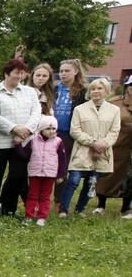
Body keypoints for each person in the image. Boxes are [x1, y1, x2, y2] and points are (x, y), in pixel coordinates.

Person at [0, 57, 41, 216]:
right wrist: (15, 129)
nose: (20, 76)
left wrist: (26, 131)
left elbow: (36, 113)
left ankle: (8, 207)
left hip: (22, 142)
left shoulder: (29, 92)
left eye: (22, 73)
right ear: (7, 73)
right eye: (16, 72)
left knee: (18, 175)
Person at [61, 78, 121, 216]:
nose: (95, 91)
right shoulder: (80, 109)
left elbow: (114, 131)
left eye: (99, 88)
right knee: (74, 180)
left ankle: (80, 210)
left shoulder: (114, 110)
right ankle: (63, 209)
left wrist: (103, 144)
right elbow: (74, 130)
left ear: (106, 91)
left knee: (91, 183)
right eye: (93, 89)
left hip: (102, 152)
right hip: (82, 150)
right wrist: (93, 142)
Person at [52, 60, 88, 217]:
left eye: (67, 70)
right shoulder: (53, 88)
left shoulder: (82, 92)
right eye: (61, 70)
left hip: (68, 135)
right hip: (50, 133)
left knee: (63, 169)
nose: (63, 73)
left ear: (75, 72)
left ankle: (59, 201)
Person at [93, 74, 132, 215]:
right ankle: (101, 205)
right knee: (107, 175)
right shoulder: (114, 103)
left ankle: (126, 207)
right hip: (115, 147)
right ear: (127, 87)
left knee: (130, 178)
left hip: (130, 149)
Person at [19, 115, 68, 225]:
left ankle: (42, 216)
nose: (51, 131)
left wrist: (61, 175)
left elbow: (62, 159)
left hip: (50, 174)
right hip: (35, 173)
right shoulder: (33, 141)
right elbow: (25, 155)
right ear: (41, 129)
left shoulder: (58, 142)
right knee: (32, 195)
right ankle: (29, 216)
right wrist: (17, 146)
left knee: (45, 196)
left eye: (54, 129)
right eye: (48, 129)